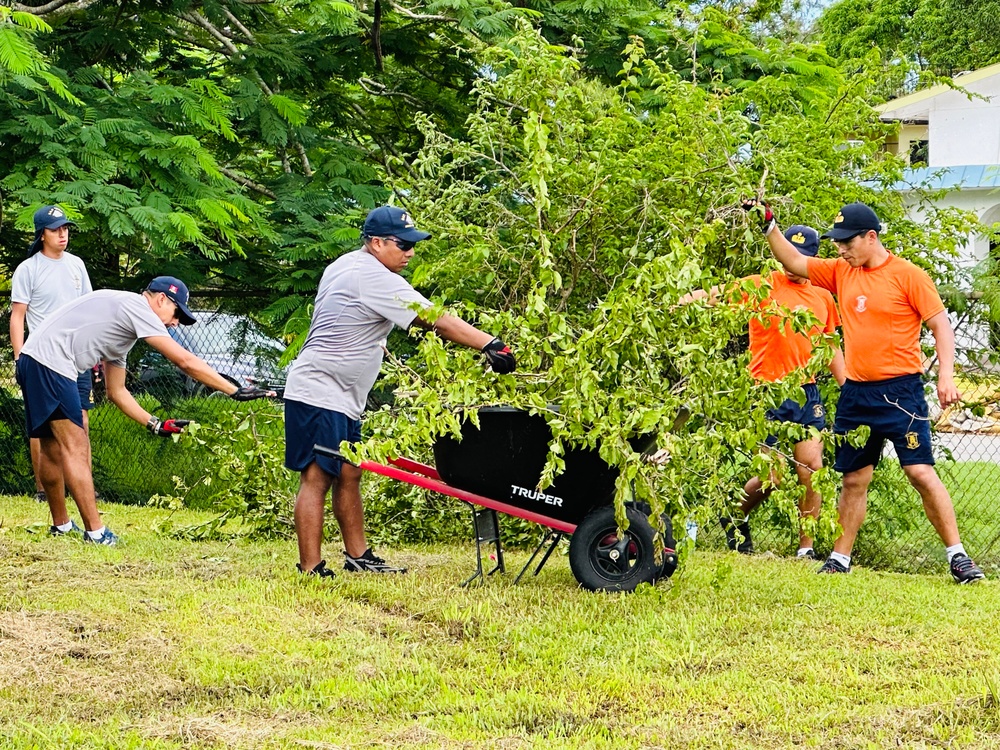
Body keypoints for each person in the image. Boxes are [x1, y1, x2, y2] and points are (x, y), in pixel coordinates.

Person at [746, 199, 985, 583]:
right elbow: (794, 261)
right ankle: (840, 558)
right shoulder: (842, 272)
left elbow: (941, 326)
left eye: (847, 242)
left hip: (901, 393)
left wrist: (946, 377)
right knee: (854, 479)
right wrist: (769, 225)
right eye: (837, 242)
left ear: (870, 237)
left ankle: (957, 557)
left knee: (920, 472)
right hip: (857, 395)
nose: (840, 249)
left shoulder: (909, 275)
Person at [285, 205, 516, 578]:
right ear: (376, 243)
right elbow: (433, 318)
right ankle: (311, 567)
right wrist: (489, 343)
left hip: (340, 393)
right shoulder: (370, 275)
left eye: (414, 245)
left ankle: (358, 556)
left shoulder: (345, 264)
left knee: (349, 472)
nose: (410, 252)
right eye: (403, 244)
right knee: (317, 476)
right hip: (319, 391)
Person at [16, 276, 272, 544]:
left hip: (33, 360)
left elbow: (117, 392)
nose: (175, 323)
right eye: (177, 314)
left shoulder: (121, 332)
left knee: (51, 446)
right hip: (51, 364)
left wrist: (156, 424)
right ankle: (96, 533)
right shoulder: (135, 307)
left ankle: (62, 527)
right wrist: (234, 390)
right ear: (161, 299)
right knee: (76, 445)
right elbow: (184, 360)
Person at [679, 226, 846, 558]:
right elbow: (716, 294)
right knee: (773, 477)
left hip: (806, 393)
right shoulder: (761, 285)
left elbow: (830, 347)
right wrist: (680, 302)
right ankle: (734, 514)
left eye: (799, 259)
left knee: (811, 471)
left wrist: (850, 389)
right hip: (765, 393)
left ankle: (806, 550)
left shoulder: (823, 297)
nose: (791, 266)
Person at [10, 205, 95, 505]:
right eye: (55, 229)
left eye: (65, 229)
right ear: (41, 234)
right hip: (43, 359)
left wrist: (93, 352)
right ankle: (44, 490)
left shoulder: (76, 266)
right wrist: (20, 358)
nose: (62, 234)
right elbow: (18, 316)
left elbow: (88, 310)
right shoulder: (28, 269)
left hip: (76, 357)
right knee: (43, 427)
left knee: (81, 420)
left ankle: (84, 487)